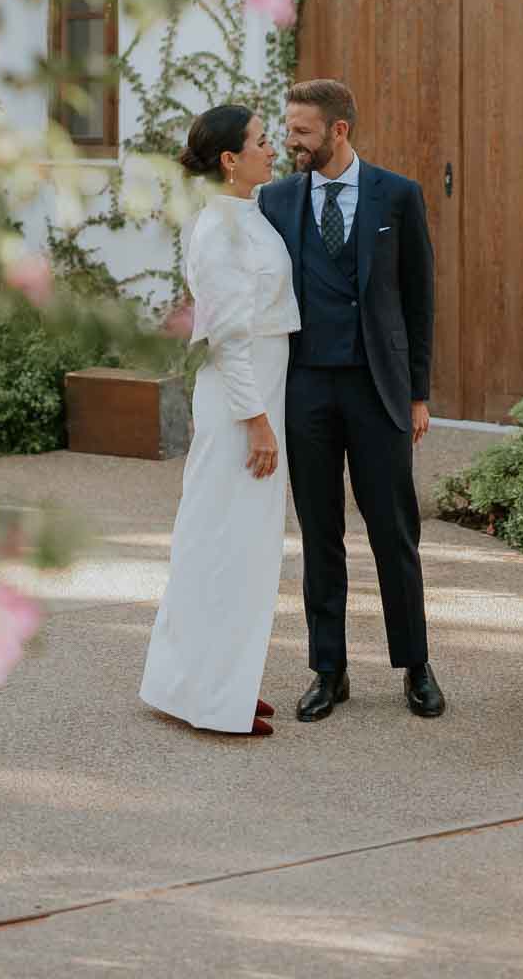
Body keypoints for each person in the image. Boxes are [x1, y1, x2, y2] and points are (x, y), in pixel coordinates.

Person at [257, 78, 445, 722]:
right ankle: (328, 671)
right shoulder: (274, 200)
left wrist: (419, 392)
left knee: (395, 532)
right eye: (288, 129)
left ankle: (416, 666)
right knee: (320, 534)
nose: (292, 142)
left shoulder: (399, 194)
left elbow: (419, 303)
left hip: (377, 388)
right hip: (305, 386)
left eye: (303, 131)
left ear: (339, 130)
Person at [140, 105, 300, 737]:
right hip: (244, 400)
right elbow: (229, 337)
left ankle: (215, 682)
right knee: (225, 549)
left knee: (236, 548)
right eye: (261, 142)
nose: (272, 150)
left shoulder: (245, 215)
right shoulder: (218, 232)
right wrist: (258, 423)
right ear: (230, 160)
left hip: (260, 390)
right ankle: (209, 697)